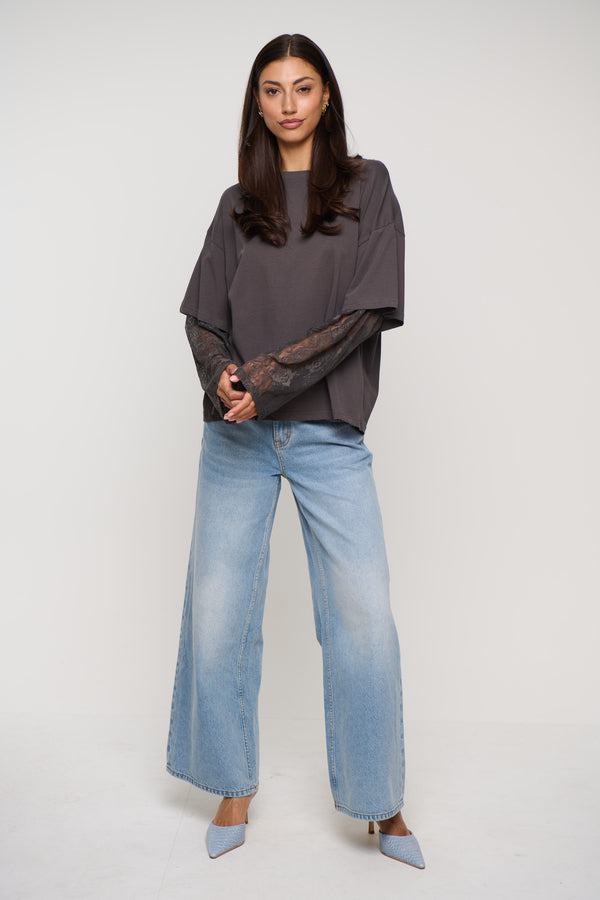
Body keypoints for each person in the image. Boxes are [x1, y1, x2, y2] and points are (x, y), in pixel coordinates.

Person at [166, 33, 425, 868]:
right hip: (236, 436)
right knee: (218, 617)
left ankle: (380, 802)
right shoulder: (237, 203)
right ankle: (230, 784)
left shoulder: (367, 187)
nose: (288, 104)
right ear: (258, 101)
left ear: (326, 95)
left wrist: (269, 377)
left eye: (302, 87)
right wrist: (223, 379)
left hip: (327, 433)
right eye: (273, 89)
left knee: (363, 620)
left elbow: (367, 313)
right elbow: (202, 316)